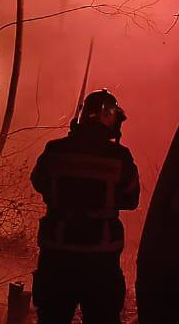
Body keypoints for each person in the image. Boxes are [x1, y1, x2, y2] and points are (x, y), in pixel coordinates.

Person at [30, 89, 140, 324]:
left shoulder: (55, 150)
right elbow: (131, 199)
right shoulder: (120, 157)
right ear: (110, 118)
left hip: (57, 258)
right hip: (100, 262)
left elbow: (39, 181)